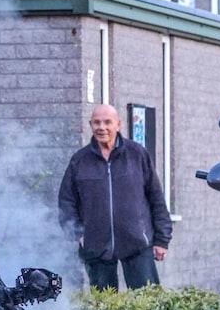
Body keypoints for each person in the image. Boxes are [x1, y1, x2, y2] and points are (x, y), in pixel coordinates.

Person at [58, 104, 173, 291]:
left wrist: (162, 239)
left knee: (148, 304)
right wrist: (78, 234)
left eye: (107, 122)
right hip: (96, 247)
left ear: (118, 124)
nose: (101, 127)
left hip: (138, 243)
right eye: (96, 123)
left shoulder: (137, 154)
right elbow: (66, 202)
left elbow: (156, 198)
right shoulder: (79, 160)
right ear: (90, 125)